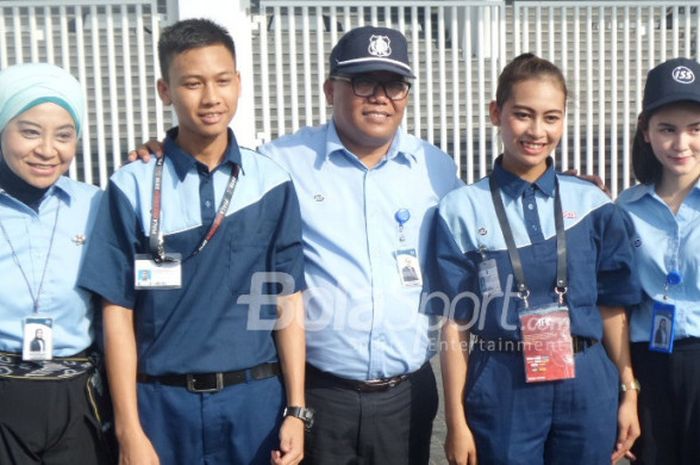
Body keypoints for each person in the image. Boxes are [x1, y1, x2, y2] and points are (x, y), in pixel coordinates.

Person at [129, 25, 462, 465]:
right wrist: (162, 150)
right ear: (330, 90)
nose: (380, 97)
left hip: (407, 394)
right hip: (320, 393)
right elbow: (212, 159)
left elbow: (481, 225)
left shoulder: (436, 167)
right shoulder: (281, 163)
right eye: (363, 82)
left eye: (394, 84)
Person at [77, 19, 307, 465]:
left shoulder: (271, 184)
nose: (210, 97)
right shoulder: (133, 185)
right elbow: (117, 312)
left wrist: (296, 410)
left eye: (222, 81)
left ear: (239, 83)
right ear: (165, 90)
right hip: (161, 408)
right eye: (192, 83)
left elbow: (288, 301)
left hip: (254, 405)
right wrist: (128, 431)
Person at [428, 53, 641, 465]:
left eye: (551, 117)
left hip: (587, 379)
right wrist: (456, 421)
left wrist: (628, 390)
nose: (537, 131)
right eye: (523, 115)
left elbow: (613, 307)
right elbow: (455, 325)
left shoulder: (592, 202)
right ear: (496, 113)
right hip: (503, 382)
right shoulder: (461, 209)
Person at [0, 62, 110, 464]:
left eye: (64, 136)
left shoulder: (95, 205)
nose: (47, 149)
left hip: (77, 396)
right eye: (29, 132)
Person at [616, 56, 700, 465]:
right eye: (667, 129)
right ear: (646, 132)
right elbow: (618, 305)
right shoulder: (624, 210)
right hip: (649, 362)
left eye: (695, 129)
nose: (681, 143)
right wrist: (628, 386)